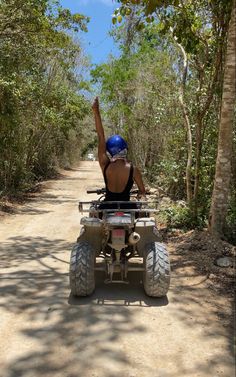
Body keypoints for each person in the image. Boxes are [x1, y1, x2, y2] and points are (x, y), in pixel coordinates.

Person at [92, 97, 146, 204]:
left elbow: (101, 136)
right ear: (125, 148)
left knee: (93, 211)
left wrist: (96, 112)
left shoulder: (105, 164)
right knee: (142, 213)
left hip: (107, 207)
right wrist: (141, 193)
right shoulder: (133, 169)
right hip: (127, 208)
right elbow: (142, 191)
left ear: (110, 151)